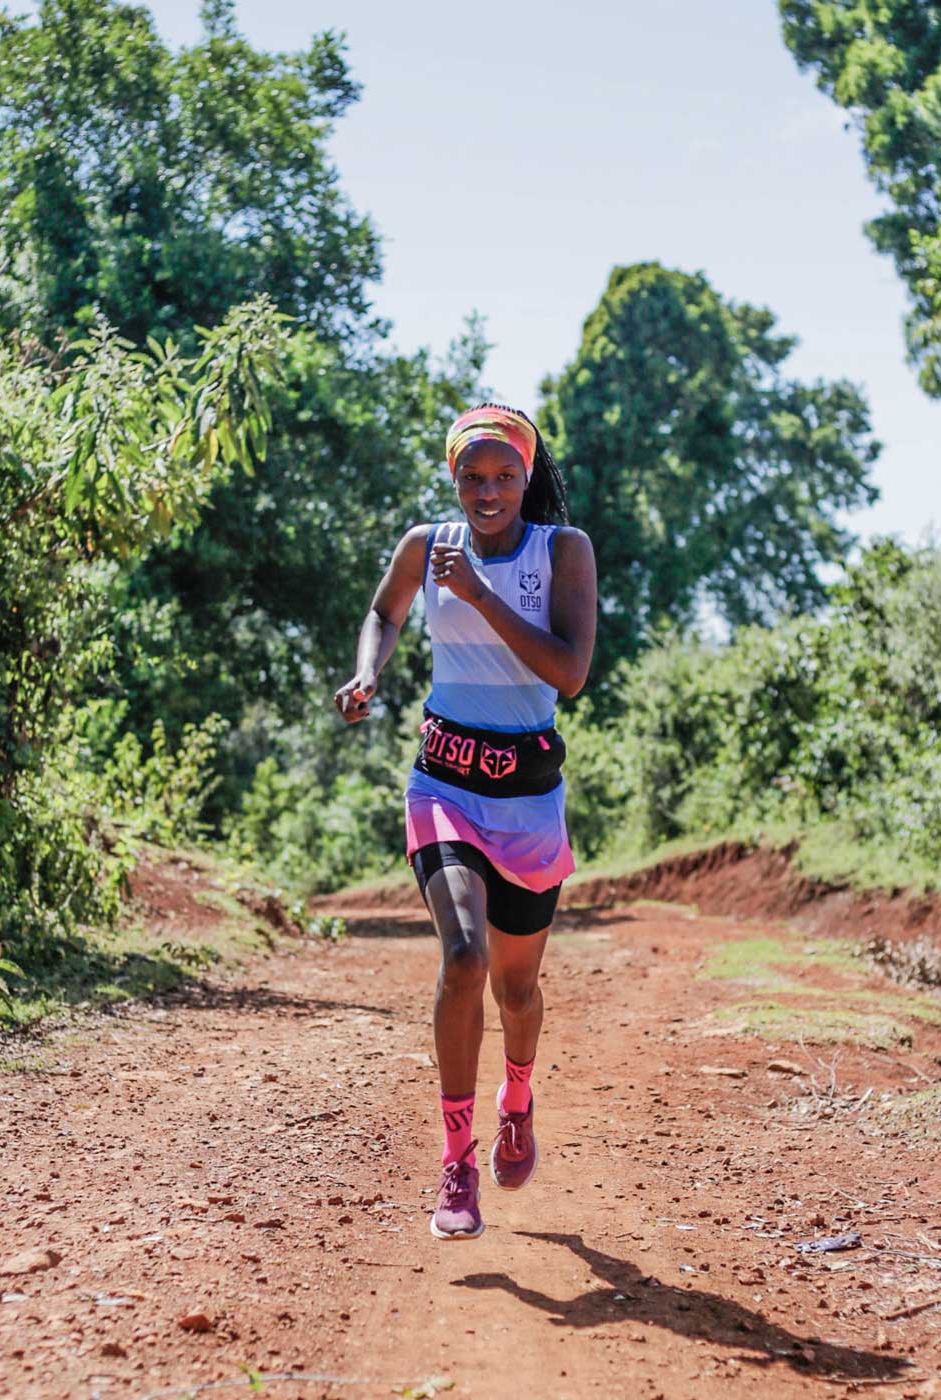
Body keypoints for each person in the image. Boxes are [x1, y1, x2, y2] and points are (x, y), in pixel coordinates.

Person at [334, 403, 597, 1240]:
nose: (489, 492)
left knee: (518, 991)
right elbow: (385, 611)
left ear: (526, 477)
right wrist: (367, 672)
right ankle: (455, 1162)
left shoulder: (564, 552)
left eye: (504, 477)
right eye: (473, 478)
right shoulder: (426, 544)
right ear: (454, 479)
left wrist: (480, 596)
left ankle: (517, 1093)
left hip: (528, 794)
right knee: (462, 958)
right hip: (443, 780)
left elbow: (570, 672)